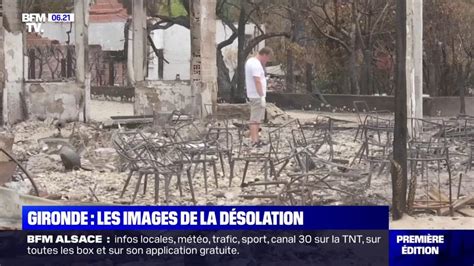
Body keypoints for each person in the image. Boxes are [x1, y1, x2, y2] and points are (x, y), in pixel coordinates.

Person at [245, 47, 273, 147]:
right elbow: (257, 80)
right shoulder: (256, 64)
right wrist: (261, 96)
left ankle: (256, 139)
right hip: (256, 95)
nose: (267, 61)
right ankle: (254, 141)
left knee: (257, 119)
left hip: (254, 94)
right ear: (264, 55)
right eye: (267, 59)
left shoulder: (251, 61)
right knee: (255, 119)